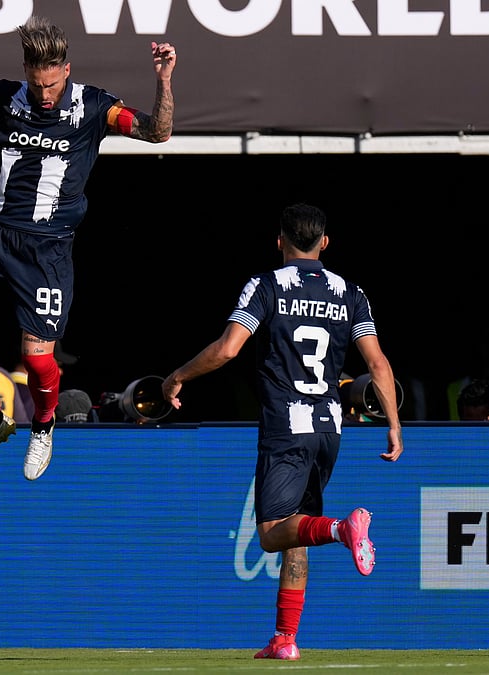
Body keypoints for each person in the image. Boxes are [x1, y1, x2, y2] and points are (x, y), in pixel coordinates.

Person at [0, 16, 176, 480]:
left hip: (47, 250)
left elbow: (156, 131)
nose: (44, 95)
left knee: (37, 358)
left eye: (51, 84)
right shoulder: (6, 96)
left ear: (66, 70)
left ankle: (42, 427)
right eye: (36, 83)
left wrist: (163, 80)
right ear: (26, 70)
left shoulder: (94, 107)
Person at [160, 204, 404, 661]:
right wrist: (392, 424)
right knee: (296, 530)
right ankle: (285, 639)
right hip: (329, 429)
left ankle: (342, 529)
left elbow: (228, 349)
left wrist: (179, 375)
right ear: (325, 243)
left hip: (286, 427)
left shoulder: (266, 286)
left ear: (279, 241)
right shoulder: (350, 292)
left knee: (273, 533)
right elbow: (377, 364)